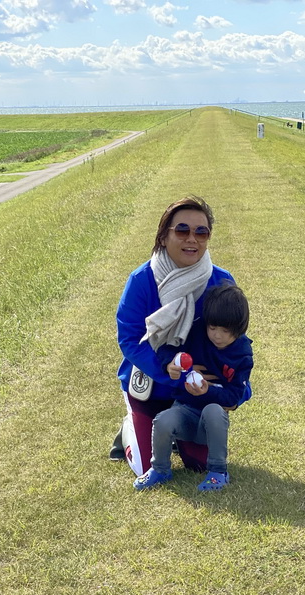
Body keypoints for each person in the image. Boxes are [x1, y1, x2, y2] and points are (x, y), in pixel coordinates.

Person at [112, 196, 240, 477]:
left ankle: (177, 434)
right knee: (145, 467)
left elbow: (235, 342)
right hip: (152, 386)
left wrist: (238, 390)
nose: (191, 239)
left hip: (194, 395)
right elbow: (130, 340)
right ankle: (128, 429)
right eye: (182, 230)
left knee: (199, 465)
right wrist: (167, 369)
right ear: (163, 236)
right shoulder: (141, 279)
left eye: (201, 232)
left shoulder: (221, 280)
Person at [134, 283, 253, 492]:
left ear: (239, 329)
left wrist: (208, 390)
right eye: (213, 328)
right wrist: (169, 363)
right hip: (185, 408)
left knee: (213, 410)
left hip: (212, 418)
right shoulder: (197, 332)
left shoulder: (242, 354)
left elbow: (234, 395)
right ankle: (160, 469)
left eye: (225, 331)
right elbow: (166, 348)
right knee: (162, 420)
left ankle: (218, 471)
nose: (217, 335)